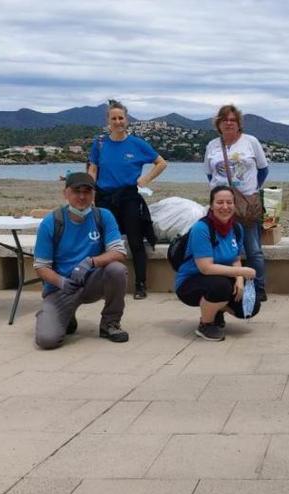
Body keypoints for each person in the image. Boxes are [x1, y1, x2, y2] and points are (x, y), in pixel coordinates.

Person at [33, 173, 129, 350]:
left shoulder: (103, 216)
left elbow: (118, 251)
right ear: (66, 193)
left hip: (91, 281)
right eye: (77, 191)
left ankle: (110, 323)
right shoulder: (51, 222)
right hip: (60, 288)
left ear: (94, 194)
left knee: (117, 270)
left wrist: (90, 262)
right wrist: (60, 282)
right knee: (47, 340)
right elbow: (41, 267)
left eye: (87, 191)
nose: (82, 197)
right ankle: (61, 316)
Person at [87, 99, 167, 300]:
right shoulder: (99, 143)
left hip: (129, 197)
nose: (117, 121)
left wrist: (145, 179)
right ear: (108, 121)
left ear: (127, 120)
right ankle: (104, 285)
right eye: (113, 118)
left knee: (135, 241)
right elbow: (93, 168)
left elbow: (161, 163)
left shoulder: (137, 144)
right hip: (105, 198)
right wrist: (90, 192)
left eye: (120, 118)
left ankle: (140, 285)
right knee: (105, 242)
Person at [175, 186, 261, 342]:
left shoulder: (236, 228)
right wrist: (242, 272)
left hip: (219, 278)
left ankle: (216, 310)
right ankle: (206, 324)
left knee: (251, 306)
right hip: (191, 281)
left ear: (235, 205)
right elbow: (206, 268)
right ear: (211, 205)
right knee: (221, 287)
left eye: (229, 202)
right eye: (220, 202)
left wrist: (240, 279)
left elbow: (235, 258)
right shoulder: (201, 228)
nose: (225, 207)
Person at [203, 104, 270, 302]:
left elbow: (263, 170)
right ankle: (225, 285)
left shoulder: (251, 142)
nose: (229, 123)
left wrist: (248, 192)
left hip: (246, 204)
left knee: (253, 248)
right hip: (221, 205)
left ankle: (258, 287)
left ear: (239, 123)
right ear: (219, 124)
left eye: (233, 120)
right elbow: (209, 173)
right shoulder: (212, 145)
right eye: (225, 120)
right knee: (221, 247)